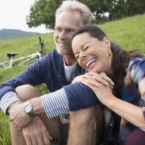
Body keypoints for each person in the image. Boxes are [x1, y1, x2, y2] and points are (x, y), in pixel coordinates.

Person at [8, 26, 145, 145]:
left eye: (85, 48)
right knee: (22, 92)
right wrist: (76, 82)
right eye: (77, 55)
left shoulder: (138, 66)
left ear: (106, 42)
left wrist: (109, 100)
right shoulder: (99, 78)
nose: (82, 57)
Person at [0, 0, 92, 145]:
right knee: (22, 92)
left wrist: (30, 109)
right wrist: (20, 112)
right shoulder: (50, 60)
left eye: (70, 30)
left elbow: (87, 92)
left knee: (84, 109)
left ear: (86, 32)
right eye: (58, 29)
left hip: (92, 128)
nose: (61, 36)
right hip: (61, 127)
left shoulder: (94, 54)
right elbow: (2, 88)